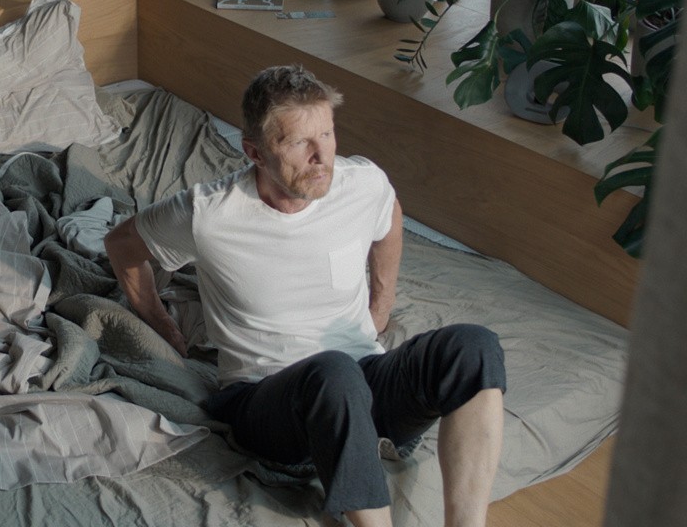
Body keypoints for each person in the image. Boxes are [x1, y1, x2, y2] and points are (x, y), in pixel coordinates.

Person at [104, 65, 506, 527]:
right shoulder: (209, 214)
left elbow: (389, 214)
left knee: (473, 347)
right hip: (264, 400)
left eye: (327, 134)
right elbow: (121, 245)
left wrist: (381, 303)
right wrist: (161, 322)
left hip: (364, 377)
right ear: (254, 151)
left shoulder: (362, 183)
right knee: (333, 371)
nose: (322, 156)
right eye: (299, 142)